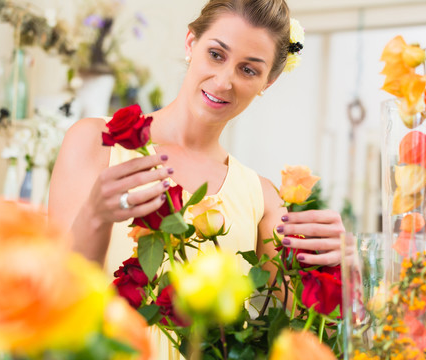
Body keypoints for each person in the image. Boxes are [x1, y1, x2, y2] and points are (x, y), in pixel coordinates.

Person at [49, 0, 345, 356]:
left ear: (269, 80)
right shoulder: (95, 142)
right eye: (216, 54)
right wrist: (95, 215)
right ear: (190, 43)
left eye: (249, 70)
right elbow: (58, 296)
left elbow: (297, 329)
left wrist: (339, 263)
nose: (224, 82)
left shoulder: (261, 197)